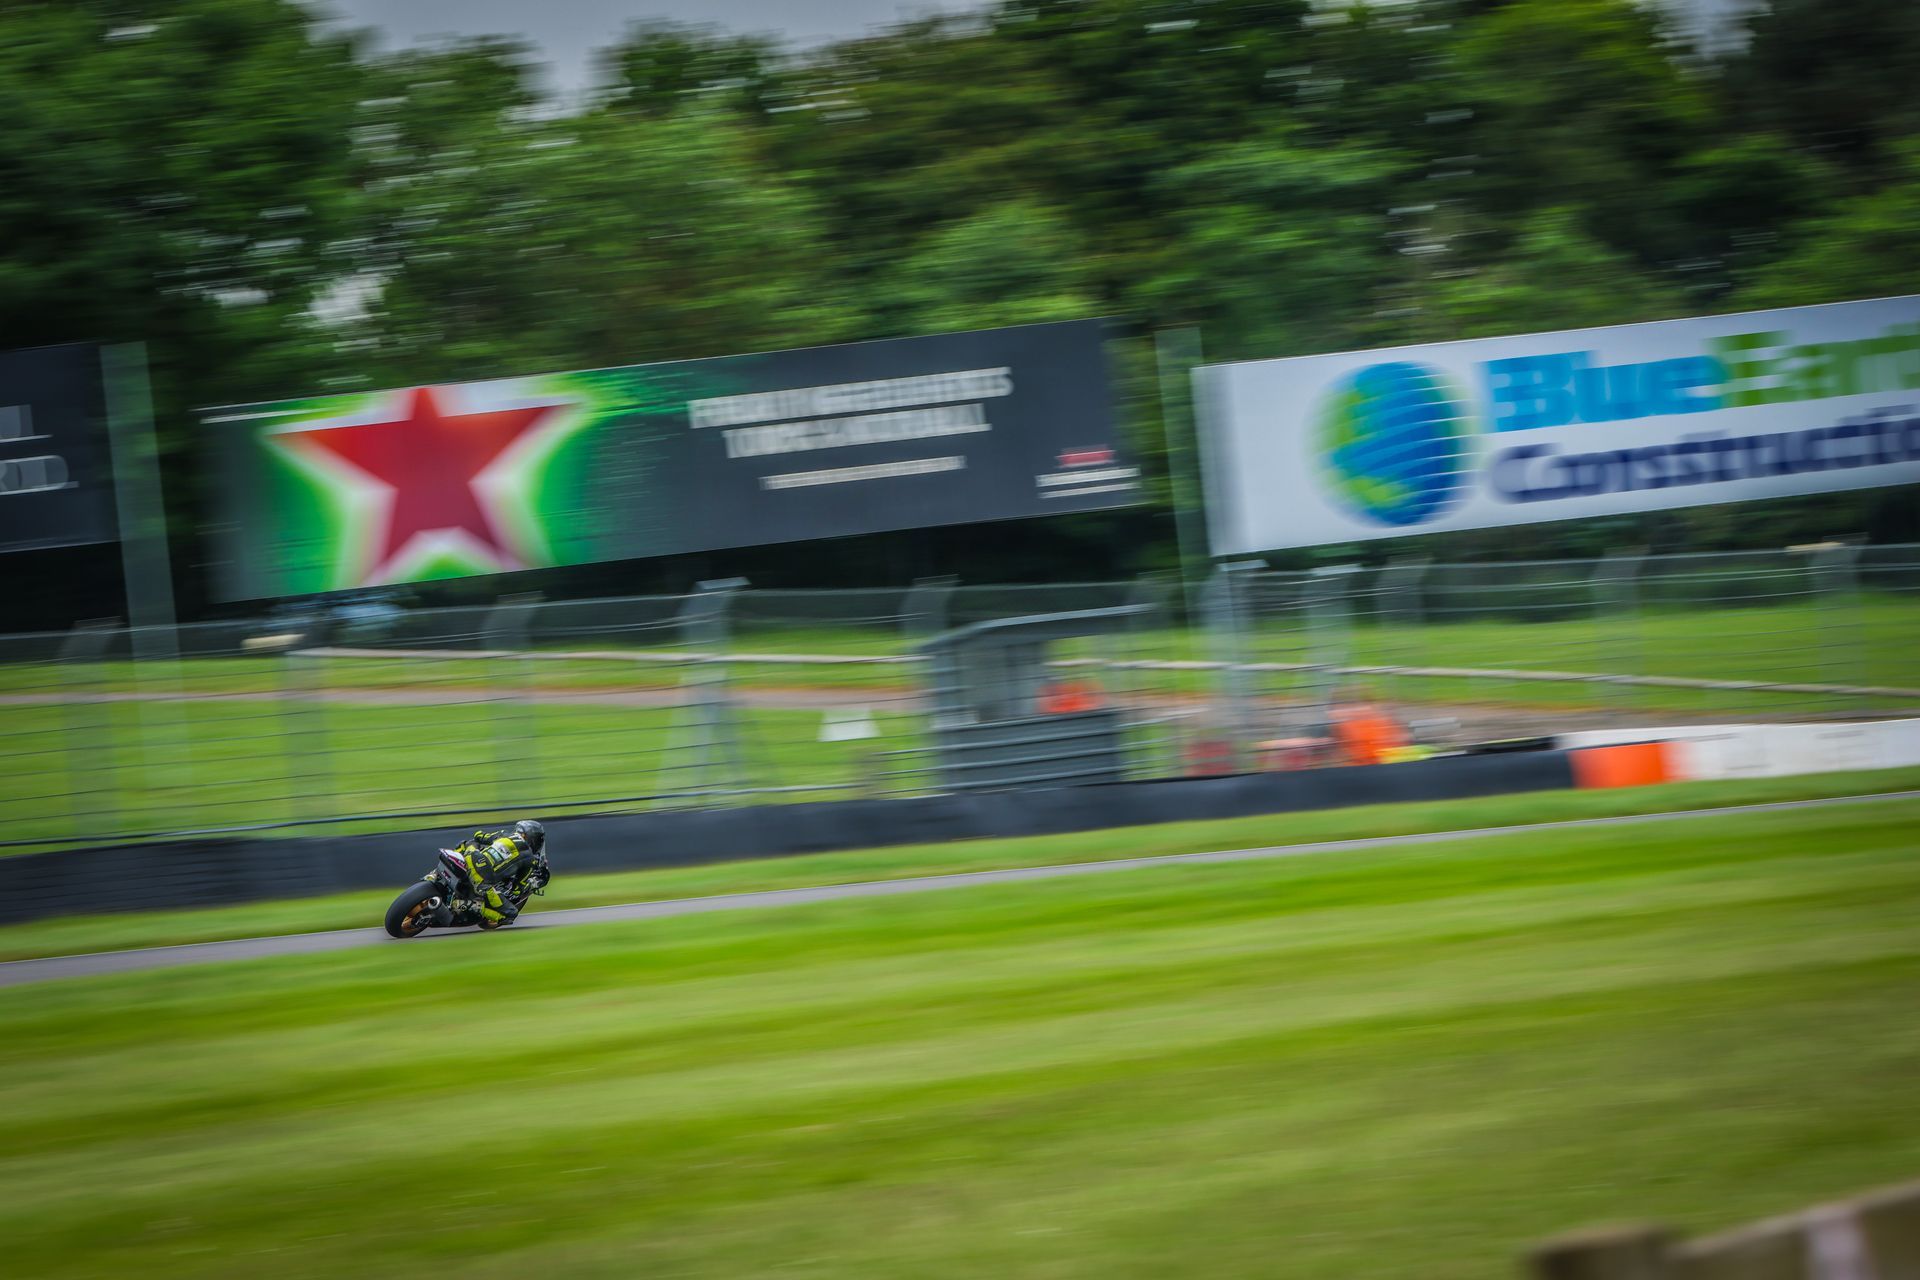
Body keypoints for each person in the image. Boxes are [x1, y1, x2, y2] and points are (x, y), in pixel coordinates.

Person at [457, 819, 548, 927]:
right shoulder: (529, 858)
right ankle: (460, 905)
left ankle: (439, 873)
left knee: (469, 843)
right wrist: (530, 885)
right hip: (482, 878)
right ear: (532, 838)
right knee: (510, 914)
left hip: (470, 857)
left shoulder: (504, 834)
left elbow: (478, 835)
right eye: (538, 839)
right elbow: (518, 888)